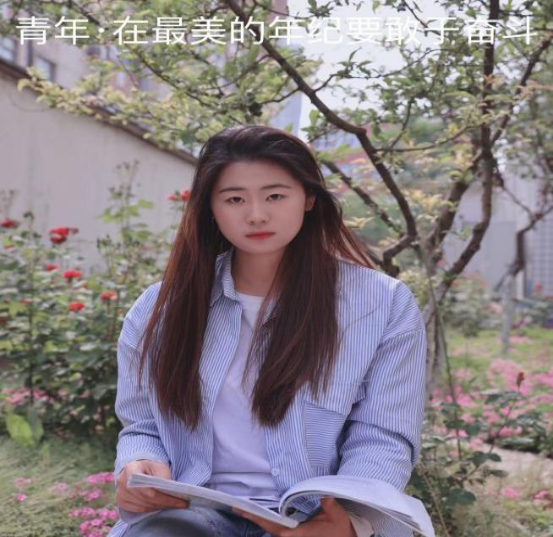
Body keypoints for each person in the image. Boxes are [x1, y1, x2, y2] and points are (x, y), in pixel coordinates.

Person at [108, 125, 427, 537]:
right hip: (192, 513)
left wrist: (349, 522)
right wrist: (138, 466)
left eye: (275, 196)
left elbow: (383, 435)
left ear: (309, 198)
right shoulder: (161, 308)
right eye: (235, 199)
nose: (256, 214)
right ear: (210, 207)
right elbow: (143, 424)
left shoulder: (382, 305)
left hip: (314, 519)